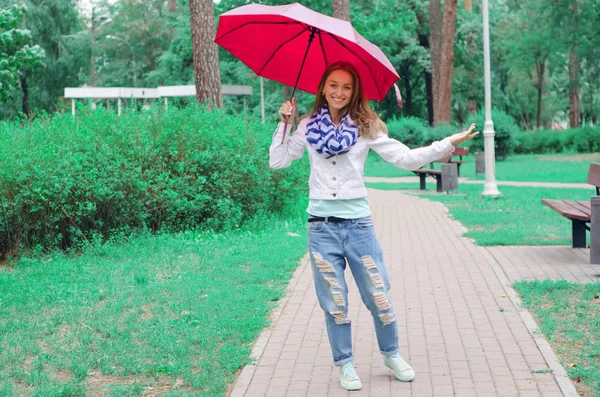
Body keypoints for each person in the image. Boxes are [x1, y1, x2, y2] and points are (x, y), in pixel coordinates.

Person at [269, 61, 478, 391]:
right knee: (334, 303)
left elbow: (406, 159)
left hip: (358, 227)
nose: (339, 92)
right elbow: (278, 161)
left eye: (347, 87)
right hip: (321, 229)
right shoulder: (306, 126)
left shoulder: (366, 126)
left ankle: (391, 354)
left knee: (378, 296)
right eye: (334, 85)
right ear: (323, 88)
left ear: (355, 93)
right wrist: (283, 125)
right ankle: (345, 364)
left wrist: (447, 143)